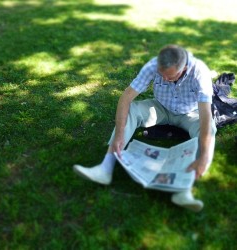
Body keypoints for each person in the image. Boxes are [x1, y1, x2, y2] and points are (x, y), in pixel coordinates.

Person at [73, 44, 217, 212]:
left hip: (190, 112)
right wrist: (120, 133)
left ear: (183, 68)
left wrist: (204, 157)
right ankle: (105, 168)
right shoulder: (153, 65)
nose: (164, 79)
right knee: (132, 110)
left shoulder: (200, 72)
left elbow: (205, 115)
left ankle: (183, 190)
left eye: (169, 77)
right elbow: (126, 98)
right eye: (161, 75)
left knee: (209, 128)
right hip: (161, 108)